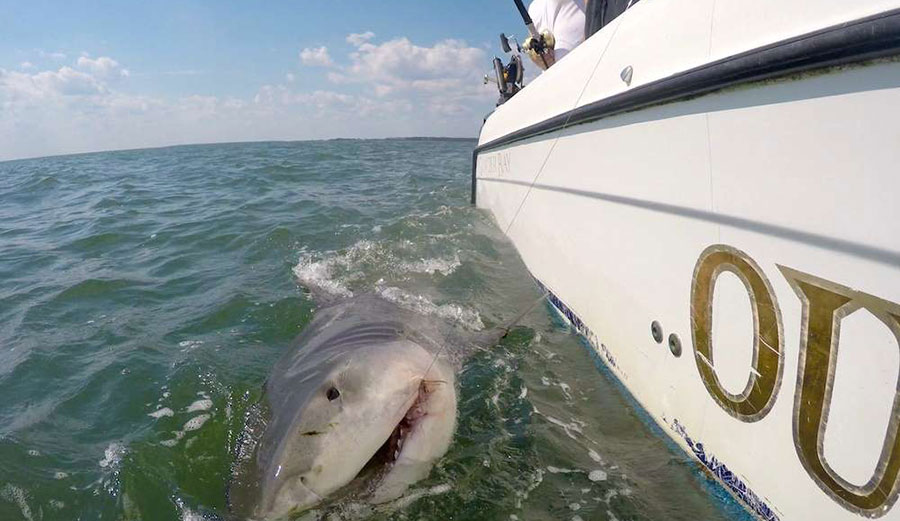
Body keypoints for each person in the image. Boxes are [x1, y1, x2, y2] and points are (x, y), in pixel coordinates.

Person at [522, 0, 586, 70]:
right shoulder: (533, 8)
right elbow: (533, 39)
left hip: (591, 63)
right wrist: (536, 57)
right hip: (564, 76)